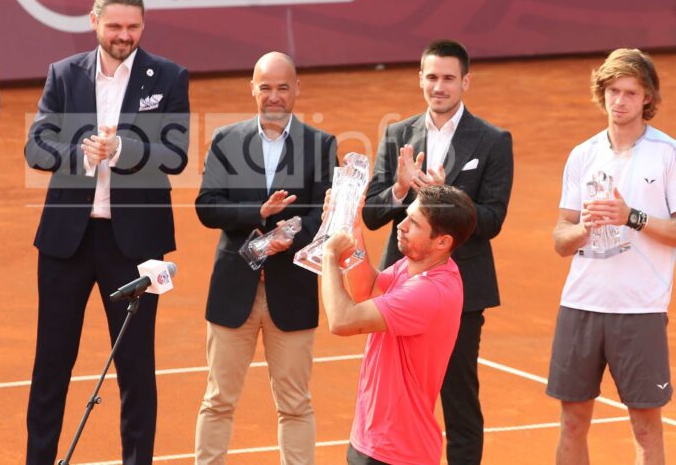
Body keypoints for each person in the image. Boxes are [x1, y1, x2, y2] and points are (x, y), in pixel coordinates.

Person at [24, 0, 190, 465]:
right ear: (94, 21)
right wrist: (78, 155)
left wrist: (121, 150)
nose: (124, 35)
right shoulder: (63, 74)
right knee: (52, 362)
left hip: (136, 247)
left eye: (133, 27)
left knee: (136, 367)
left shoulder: (170, 76)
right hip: (66, 244)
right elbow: (36, 146)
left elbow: (176, 154)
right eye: (114, 26)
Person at [362, 39, 513, 464]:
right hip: (401, 291)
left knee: (459, 400)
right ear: (420, 80)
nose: (439, 86)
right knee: (395, 399)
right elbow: (373, 215)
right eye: (431, 77)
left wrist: (449, 198)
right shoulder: (397, 135)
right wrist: (401, 188)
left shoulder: (493, 141)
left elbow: (492, 220)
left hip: (460, 296)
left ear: (465, 81)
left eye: (448, 78)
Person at [194, 52, 336, 465]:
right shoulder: (226, 139)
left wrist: (286, 236)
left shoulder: (321, 144)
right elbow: (207, 206)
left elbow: (328, 215)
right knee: (217, 399)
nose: (274, 97)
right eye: (266, 87)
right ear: (252, 88)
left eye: (282, 87)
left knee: (295, 403)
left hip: (291, 292)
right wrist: (259, 215)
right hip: (233, 290)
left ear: (296, 90)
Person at [549, 48, 676, 465]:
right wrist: (583, 228)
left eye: (629, 92)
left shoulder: (668, 155)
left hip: (639, 308)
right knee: (572, 421)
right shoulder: (582, 155)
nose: (619, 101)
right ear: (601, 94)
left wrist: (632, 217)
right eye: (612, 91)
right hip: (580, 304)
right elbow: (560, 239)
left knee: (644, 427)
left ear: (647, 99)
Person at [322, 185, 476, 465]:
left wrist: (329, 257)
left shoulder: (428, 292)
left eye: (414, 223)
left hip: (395, 451)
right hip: (373, 438)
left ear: (442, 242)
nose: (402, 226)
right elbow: (366, 288)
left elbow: (343, 320)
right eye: (407, 216)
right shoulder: (414, 267)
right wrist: (354, 226)